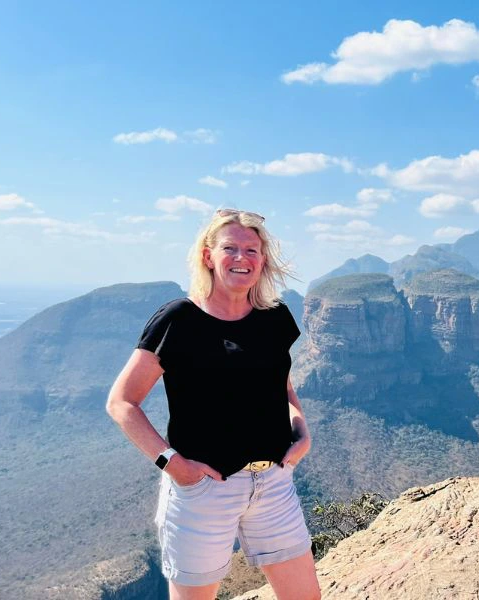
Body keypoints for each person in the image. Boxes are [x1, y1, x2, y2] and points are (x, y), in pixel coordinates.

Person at [106, 209, 321, 600]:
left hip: (273, 482)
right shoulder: (179, 319)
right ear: (208, 256)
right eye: (230, 248)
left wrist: (300, 427)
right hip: (203, 491)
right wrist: (173, 464)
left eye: (252, 249)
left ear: (263, 259)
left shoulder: (275, 318)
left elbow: (280, 380)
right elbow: (121, 402)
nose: (243, 258)